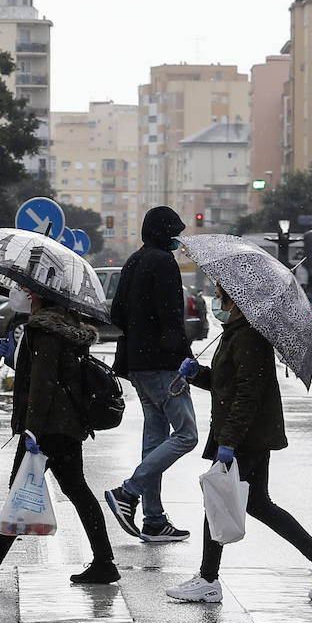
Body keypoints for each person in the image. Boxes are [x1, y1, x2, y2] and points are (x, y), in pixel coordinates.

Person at [165, 283, 312, 604]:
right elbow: (227, 385)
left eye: (221, 295)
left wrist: (229, 443)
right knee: (257, 503)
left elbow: (248, 395)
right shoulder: (235, 331)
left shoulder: (249, 336)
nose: (217, 301)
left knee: (217, 500)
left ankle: (209, 579)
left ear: (236, 301)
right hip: (248, 434)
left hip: (246, 436)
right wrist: (197, 374)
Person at [0, 285, 119, 586]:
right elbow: (55, 371)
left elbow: (43, 385)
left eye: (29, 292)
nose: (23, 296)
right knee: (74, 491)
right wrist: (14, 358)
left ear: (39, 296)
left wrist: (31, 430)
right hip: (66, 424)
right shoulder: (68, 326)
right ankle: (104, 562)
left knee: (23, 490)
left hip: (48, 427)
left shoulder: (42, 330)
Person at [103, 206, 198, 543]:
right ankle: (127, 492)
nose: (176, 239)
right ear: (162, 232)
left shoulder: (133, 261)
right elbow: (171, 317)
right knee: (187, 434)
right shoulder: (164, 263)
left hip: (136, 365)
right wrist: (185, 359)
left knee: (155, 440)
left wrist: (139, 335)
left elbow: (116, 313)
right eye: (173, 232)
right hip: (162, 365)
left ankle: (154, 520)